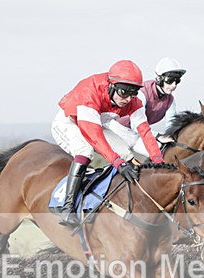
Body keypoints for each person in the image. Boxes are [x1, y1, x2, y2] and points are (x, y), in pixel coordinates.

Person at [51, 59, 164, 227]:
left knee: (126, 153)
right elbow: (94, 136)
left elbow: (145, 132)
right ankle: (68, 208)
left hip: (96, 123)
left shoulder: (134, 102)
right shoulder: (91, 92)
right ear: (111, 85)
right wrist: (117, 163)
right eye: (124, 92)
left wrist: (158, 161)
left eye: (133, 93)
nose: (127, 99)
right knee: (85, 151)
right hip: (69, 121)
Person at [105, 57, 187, 158]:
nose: (174, 85)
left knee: (163, 154)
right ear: (158, 78)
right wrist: (158, 136)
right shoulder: (142, 93)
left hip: (139, 132)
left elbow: (171, 125)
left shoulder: (170, 100)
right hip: (118, 129)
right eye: (170, 81)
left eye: (177, 81)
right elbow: (137, 122)